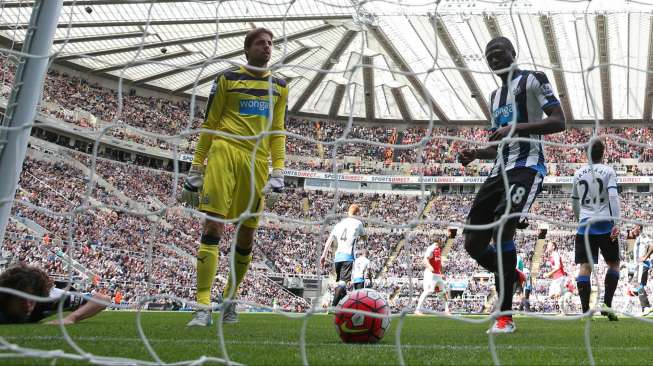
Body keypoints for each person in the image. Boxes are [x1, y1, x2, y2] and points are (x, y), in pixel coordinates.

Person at [182, 27, 289, 326]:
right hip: (224, 151)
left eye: (270, 43)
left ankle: (229, 300)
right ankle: (202, 305)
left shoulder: (280, 86)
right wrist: (196, 167)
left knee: (247, 232)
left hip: (256, 162)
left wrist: (278, 169)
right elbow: (210, 123)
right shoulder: (227, 78)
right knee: (214, 224)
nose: (267, 47)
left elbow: (277, 132)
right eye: (260, 43)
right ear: (247, 49)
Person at [458, 36, 566, 333]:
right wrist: (476, 153)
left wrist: (517, 127)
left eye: (499, 53)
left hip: (527, 166)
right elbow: (499, 143)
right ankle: (513, 275)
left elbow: (559, 121)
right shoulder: (494, 97)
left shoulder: (533, 79)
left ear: (512, 54)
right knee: (472, 243)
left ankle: (504, 316)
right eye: (489, 56)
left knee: (502, 225)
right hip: (497, 172)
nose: (494, 59)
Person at [571, 139, 620, 321]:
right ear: (603, 152)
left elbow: (575, 201)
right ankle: (607, 304)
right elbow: (613, 197)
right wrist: (617, 223)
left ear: (586, 153)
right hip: (605, 224)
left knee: (585, 267)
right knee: (613, 264)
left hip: (585, 225)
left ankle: (585, 312)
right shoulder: (608, 171)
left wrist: (579, 220)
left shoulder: (578, 173)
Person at [0, 263, 108, 325]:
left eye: (32, 300)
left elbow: (103, 299)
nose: (28, 305)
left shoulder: (50, 299)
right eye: (22, 299)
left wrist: (71, 318)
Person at [320, 204, 367, 307]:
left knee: (342, 285)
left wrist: (323, 255)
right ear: (358, 214)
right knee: (342, 285)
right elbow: (364, 237)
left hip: (337, 258)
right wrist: (361, 238)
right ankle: (333, 307)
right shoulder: (358, 223)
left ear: (348, 213)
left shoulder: (339, 224)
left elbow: (330, 239)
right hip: (348, 257)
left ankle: (346, 306)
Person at [415, 240, 450, 315]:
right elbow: (425, 259)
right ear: (438, 241)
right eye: (441, 241)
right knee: (427, 291)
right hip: (430, 274)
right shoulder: (431, 248)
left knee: (443, 292)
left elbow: (438, 263)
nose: (443, 242)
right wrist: (429, 266)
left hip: (438, 274)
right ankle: (417, 310)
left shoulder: (438, 249)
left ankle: (447, 311)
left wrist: (442, 273)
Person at [543, 241, 570, 315]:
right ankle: (565, 301)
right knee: (552, 295)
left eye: (549, 245)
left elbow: (558, 267)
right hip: (556, 278)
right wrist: (551, 275)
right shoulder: (552, 255)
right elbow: (555, 268)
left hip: (560, 277)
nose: (547, 246)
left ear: (553, 247)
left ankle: (564, 310)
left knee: (558, 295)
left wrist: (548, 274)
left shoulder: (555, 254)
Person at [632, 225, 653, 314]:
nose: (633, 229)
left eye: (634, 227)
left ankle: (646, 307)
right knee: (638, 286)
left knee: (639, 285)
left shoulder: (643, 236)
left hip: (642, 264)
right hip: (639, 264)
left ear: (639, 228)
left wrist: (645, 257)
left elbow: (652, 245)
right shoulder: (638, 238)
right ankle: (644, 309)